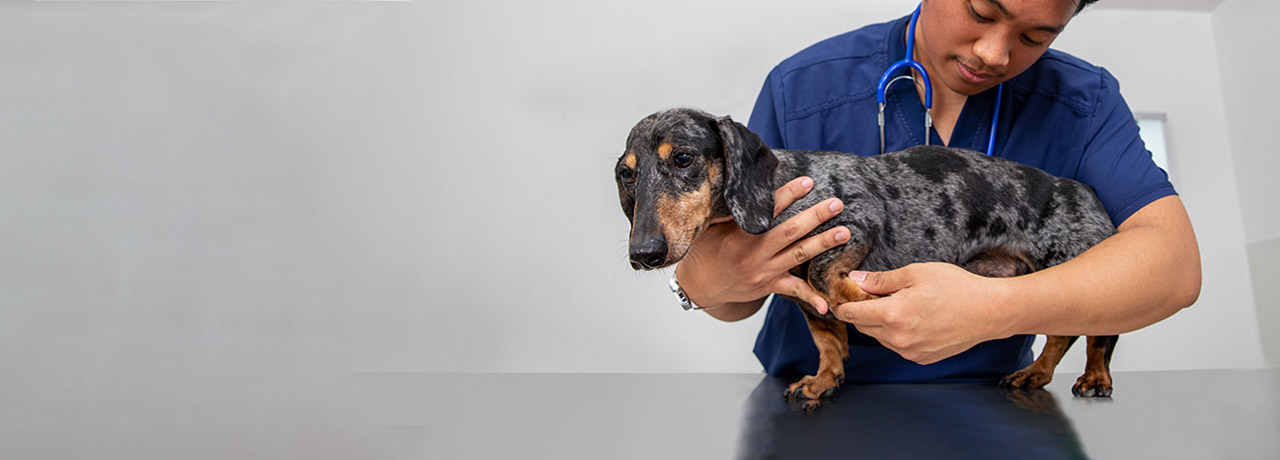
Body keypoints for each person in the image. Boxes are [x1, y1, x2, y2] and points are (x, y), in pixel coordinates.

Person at [672, 0, 1202, 382]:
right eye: (981, 11)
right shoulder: (802, 88)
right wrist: (707, 278)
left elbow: (1173, 271)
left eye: (1035, 38)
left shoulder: (1085, 103)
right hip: (810, 403)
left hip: (995, 405)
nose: (995, 54)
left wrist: (996, 308)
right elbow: (730, 302)